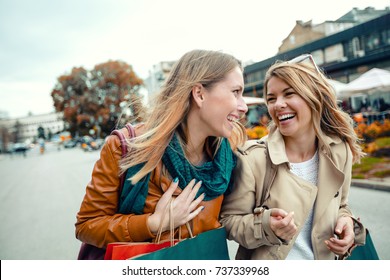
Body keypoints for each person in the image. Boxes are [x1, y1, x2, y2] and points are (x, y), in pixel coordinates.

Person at [75, 49, 248, 254]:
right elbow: (87, 225)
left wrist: (265, 224)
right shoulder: (127, 147)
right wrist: (153, 223)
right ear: (199, 94)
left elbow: (234, 218)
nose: (244, 106)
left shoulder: (229, 154)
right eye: (235, 92)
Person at [220, 54, 366, 260]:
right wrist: (265, 226)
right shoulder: (252, 158)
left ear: (313, 97)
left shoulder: (338, 150)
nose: (278, 104)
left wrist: (347, 222)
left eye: (289, 94)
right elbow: (229, 221)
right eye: (271, 99)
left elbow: (341, 204)